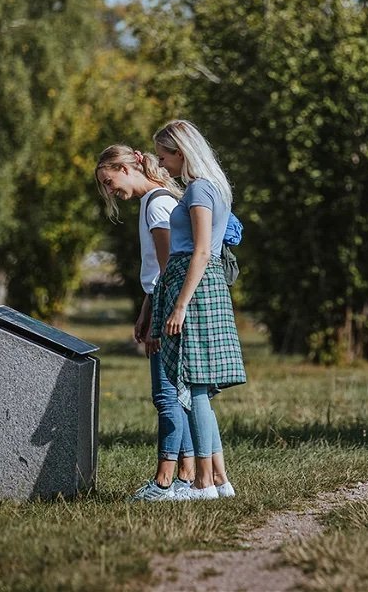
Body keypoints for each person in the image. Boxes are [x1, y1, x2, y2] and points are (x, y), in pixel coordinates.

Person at [94, 144, 242, 501]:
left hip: (174, 302)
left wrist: (159, 315)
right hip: (161, 300)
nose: (111, 191)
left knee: (172, 394)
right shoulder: (156, 202)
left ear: (126, 168)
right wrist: (147, 311)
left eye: (110, 181)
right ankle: (207, 478)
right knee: (183, 393)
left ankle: (174, 479)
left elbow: (169, 266)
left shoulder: (158, 204)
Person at [151, 119, 246, 501]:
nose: (162, 163)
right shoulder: (204, 188)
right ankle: (219, 480)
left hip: (196, 290)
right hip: (195, 286)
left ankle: (204, 482)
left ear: (181, 152)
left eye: (164, 156)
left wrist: (180, 305)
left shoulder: (202, 189)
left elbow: (203, 250)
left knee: (193, 386)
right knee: (196, 386)